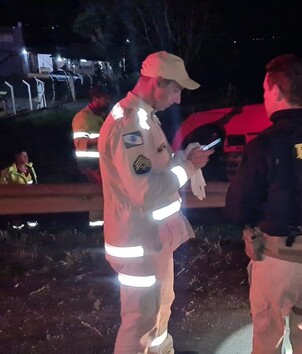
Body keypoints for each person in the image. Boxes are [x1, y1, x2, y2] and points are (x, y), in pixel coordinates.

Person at [226, 54, 302, 354]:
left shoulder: (266, 144)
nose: (264, 95)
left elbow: (237, 207)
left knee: (269, 334)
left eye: (266, 90)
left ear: (278, 92)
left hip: (279, 261)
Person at [98, 51, 213, 354]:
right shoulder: (130, 125)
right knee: (139, 324)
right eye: (176, 90)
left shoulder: (145, 118)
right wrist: (187, 168)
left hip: (154, 240)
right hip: (139, 243)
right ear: (157, 82)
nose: (178, 99)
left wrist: (183, 158)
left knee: (159, 311)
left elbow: (154, 170)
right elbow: (147, 191)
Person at [72, 84, 112, 185]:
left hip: (101, 163)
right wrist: (103, 138)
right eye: (105, 99)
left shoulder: (101, 115)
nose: (108, 102)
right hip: (90, 166)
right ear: (95, 99)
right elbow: (80, 143)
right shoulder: (82, 118)